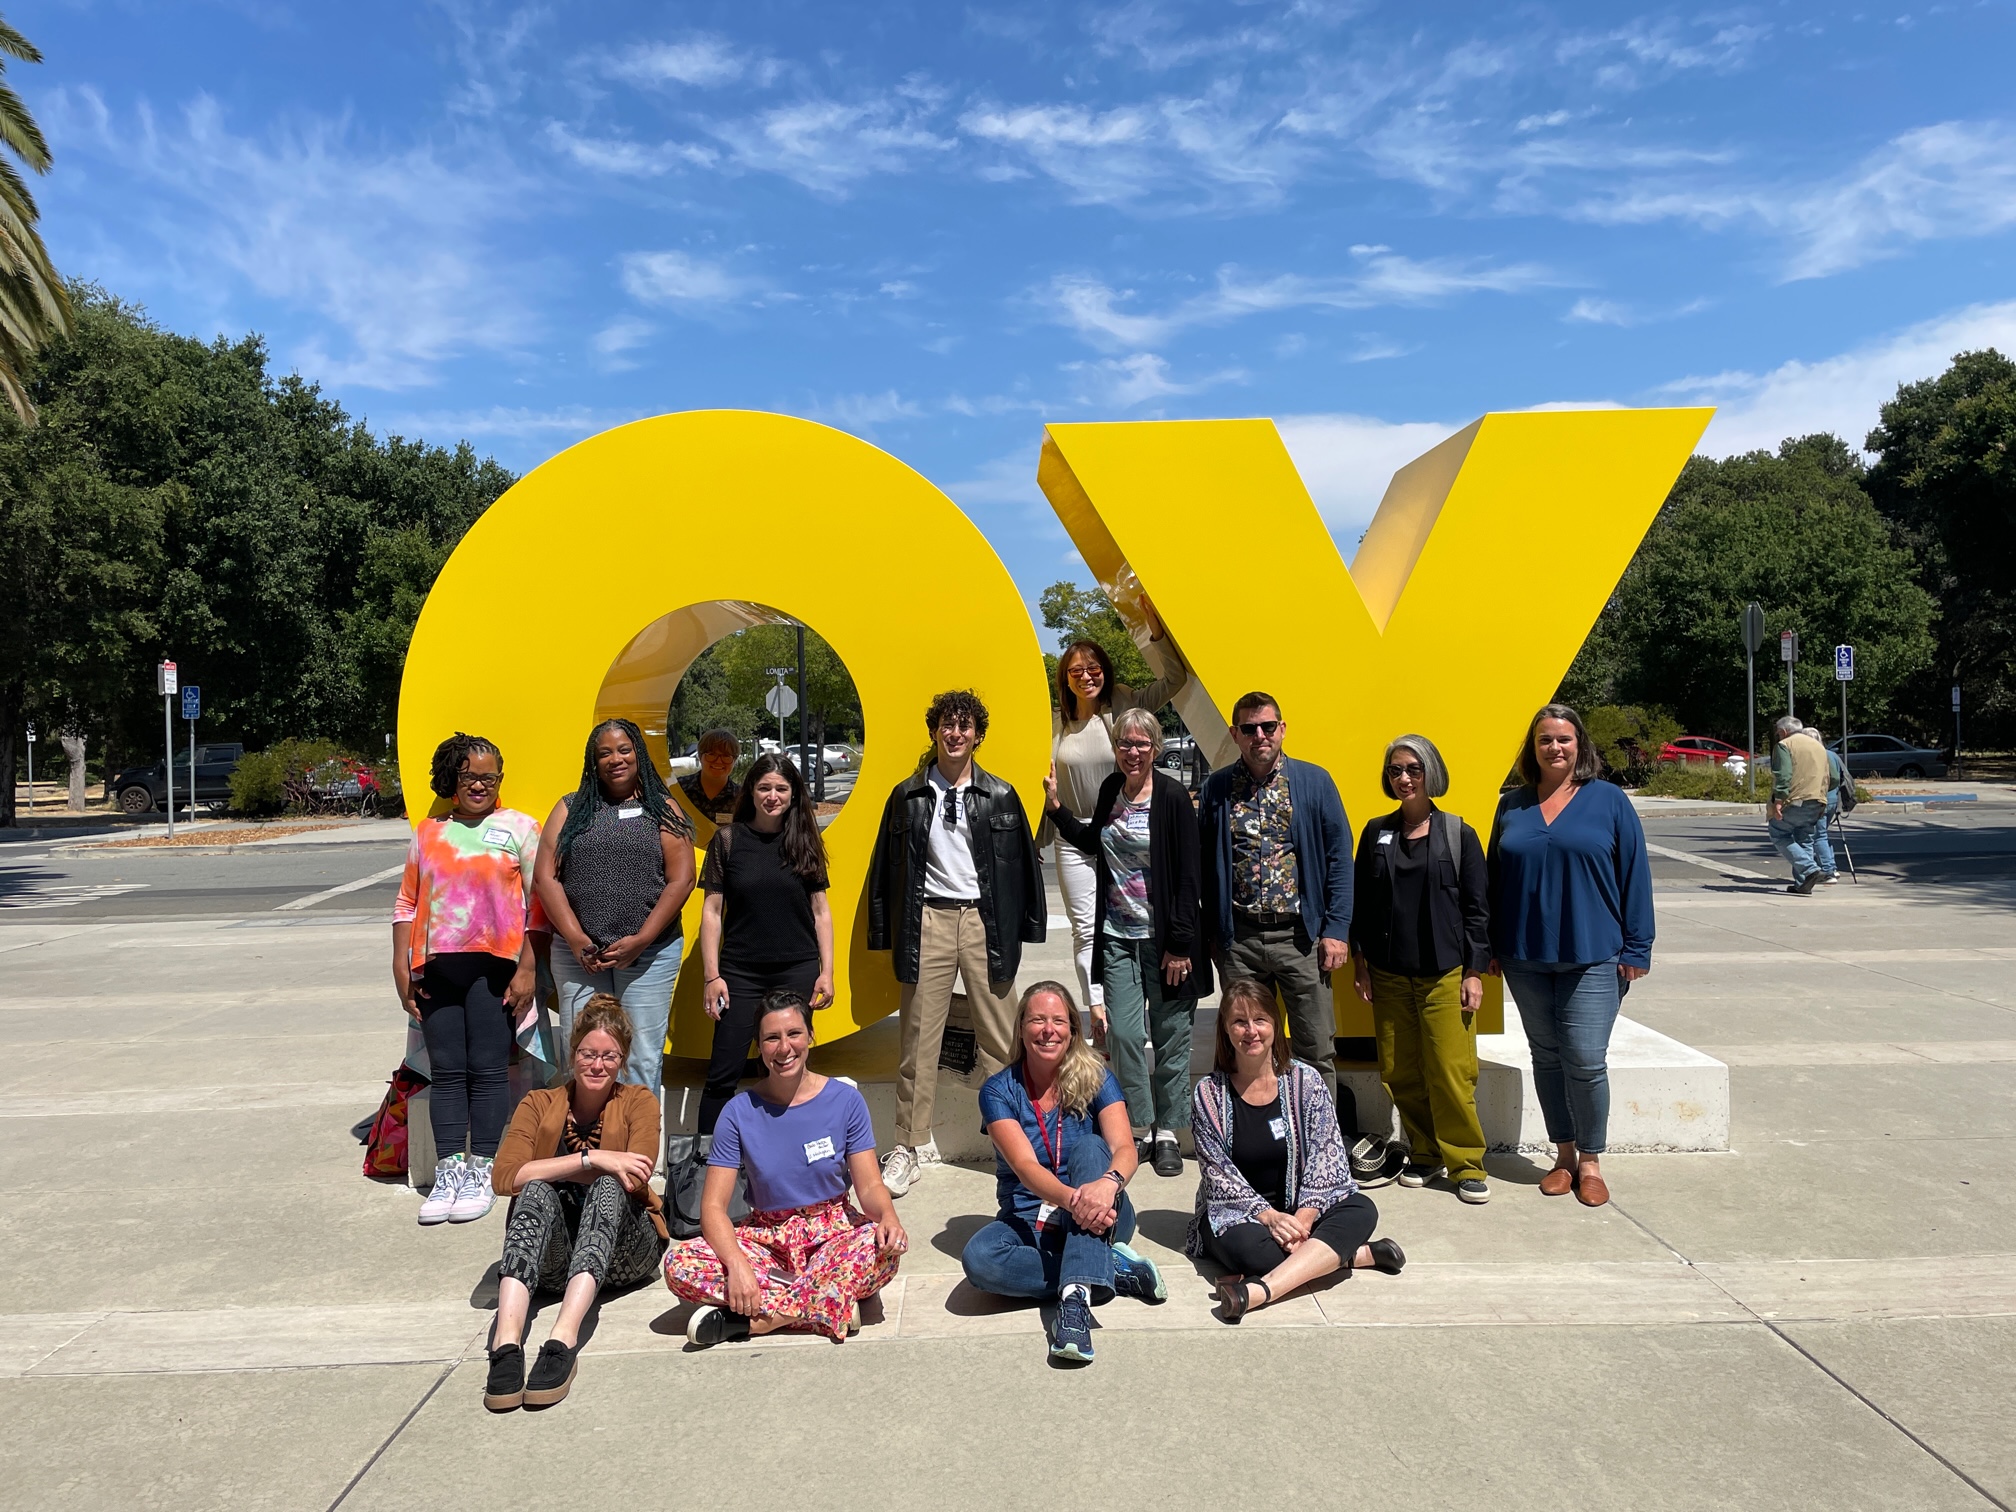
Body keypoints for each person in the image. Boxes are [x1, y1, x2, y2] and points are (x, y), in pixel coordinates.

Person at [866, 689, 1045, 1197]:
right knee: (919, 1039)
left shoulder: (1001, 795)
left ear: (978, 735)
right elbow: (885, 868)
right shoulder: (908, 794)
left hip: (984, 921)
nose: (956, 733)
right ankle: (907, 1145)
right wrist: (884, 931)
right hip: (928, 919)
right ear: (935, 731)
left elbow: (1025, 872)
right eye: (948, 724)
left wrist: (1026, 928)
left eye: (965, 726)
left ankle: (1015, 1142)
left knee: (1004, 1036)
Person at [1197, 692, 1385, 1171]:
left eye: (1268, 726)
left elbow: (1340, 861)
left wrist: (1337, 929)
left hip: (1300, 938)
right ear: (1236, 734)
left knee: (1315, 1046)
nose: (1260, 736)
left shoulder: (1313, 782)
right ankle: (1250, 1145)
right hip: (1239, 940)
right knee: (1245, 1044)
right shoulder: (1218, 789)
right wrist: (1212, 934)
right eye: (1249, 728)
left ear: (1283, 728)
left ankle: (1322, 1148)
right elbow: (1203, 865)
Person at [665, 991, 906, 1346]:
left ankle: (762, 1320)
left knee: (881, 1250)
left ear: (810, 1035)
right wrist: (737, 1265)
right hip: (766, 1240)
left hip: (833, 1233)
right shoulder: (738, 1112)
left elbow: (869, 1186)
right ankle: (826, 1303)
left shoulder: (846, 1101)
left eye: (794, 1033)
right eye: (771, 1038)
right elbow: (713, 1208)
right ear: (758, 1047)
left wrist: (888, 1217)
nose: (784, 1048)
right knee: (679, 1263)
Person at [1487, 703, 1654, 1209]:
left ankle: (1591, 1162)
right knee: (1547, 1057)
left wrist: (1637, 946)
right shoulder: (1512, 805)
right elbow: (1495, 881)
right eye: (1545, 740)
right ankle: (1561, 1157)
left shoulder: (1608, 801)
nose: (1555, 747)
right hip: (1525, 954)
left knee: (1585, 1059)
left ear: (1580, 745)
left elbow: (1635, 875)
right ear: (1532, 748)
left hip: (1594, 955)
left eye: (1564, 738)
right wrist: (1491, 945)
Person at [1042, 705, 1212, 1178]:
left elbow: (1188, 876)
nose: (1132, 752)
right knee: (1123, 1034)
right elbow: (1095, 841)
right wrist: (1057, 811)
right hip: (1117, 935)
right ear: (1115, 749)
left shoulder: (1174, 798)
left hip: (1167, 942)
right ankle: (1137, 1127)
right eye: (1124, 744)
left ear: (1155, 748)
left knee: (1172, 1036)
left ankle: (1168, 1133)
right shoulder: (1111, 789)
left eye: (1141, 744)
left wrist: (1179, 944)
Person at [961, 982, 1166, 1364]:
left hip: (1106, 1213)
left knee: (1091, 1148)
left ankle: (1074, 1303)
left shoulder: (1097, 1077)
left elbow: (1125, 1149)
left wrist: (1106, 1186)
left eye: (1058, 1021)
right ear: (1021, 1027)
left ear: (1073, 1030)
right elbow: (1024, 1167)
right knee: (980, 1259)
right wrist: (1076, 1201)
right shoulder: (998, 1091)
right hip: (1031, 1217)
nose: (1047, 1030)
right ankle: (1105, 1272)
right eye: (1037, 1020)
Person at [483, 994, 669, 1411]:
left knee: (607, 1188)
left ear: (622, 1059)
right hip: (556, 1256)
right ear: (573, 1054)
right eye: (588, 1053)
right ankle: (506, 1345)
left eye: (609, 1056)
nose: (597, 1065)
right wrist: (593, 1158)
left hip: (625, 1251)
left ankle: (562, 1338)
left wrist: (554, 1167)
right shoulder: (538, 1103)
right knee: (535, 1191)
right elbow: (505, 1178)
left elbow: (637, 1172)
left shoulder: (639, 1101)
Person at [1188, 981, 1406, 1320]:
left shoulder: (1306, 1080)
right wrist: (1271, 1218)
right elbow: (1218, 1174)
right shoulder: (1209, 1094)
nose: (1251, 1031)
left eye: (1260, 1020)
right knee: (1253, 1252)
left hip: (1304, 1208)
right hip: (1240, 1214)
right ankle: (1356, 1255)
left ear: (1275, 1024)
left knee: (1362, 1209)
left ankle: (1260, 1291)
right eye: (1239, 1022)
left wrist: (1302, 1221)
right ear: (1226, 1031)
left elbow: (1327, 1155)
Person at [393, 733, 541, 1226]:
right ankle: (451, 1168)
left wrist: (528, 968)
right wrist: (401, 966)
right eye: (469, 775)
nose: (480, 784)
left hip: (495, 970)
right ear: (452, 778)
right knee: (448, 1072)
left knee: (488, 1070)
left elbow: (539, 907)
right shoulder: (429, 832)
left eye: (489, 776)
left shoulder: (519, 828)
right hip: (437, 970)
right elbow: (407, 903)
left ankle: (484, 1169)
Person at [1349, 734, 1493, 1203]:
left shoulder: (1458, 833)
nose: (1404, 778)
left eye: (1413, 768)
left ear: (1431, 772)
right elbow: (1362, 905)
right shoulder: (1376, 832)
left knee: (1451, 1072)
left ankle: (1466, 1164)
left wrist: (1474, 971)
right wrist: (1361, 962)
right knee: (1399, 1072)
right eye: (1395, 770)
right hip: (1389, 973)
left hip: (1445, 975)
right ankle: (1426, 1153)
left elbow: (1477, 909)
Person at [533, 718, 697, 1096]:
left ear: (638, 753)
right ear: (593, 760)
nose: (615, 759)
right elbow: (546, 878)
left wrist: (642, 938)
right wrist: (576, 939)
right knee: (585, 1053)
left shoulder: (662, 808)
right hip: (580, 956)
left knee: (639, 1055)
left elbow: (682, 879)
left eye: (624, 750)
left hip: (649, 954)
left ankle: (636, 1150)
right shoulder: (569, 808)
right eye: (604, 753)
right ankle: (588, 1148)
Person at [1045, 612, 1188, 1018]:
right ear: (1065, 677)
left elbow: (1174, 679)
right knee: (1085, 928)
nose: (1086, 676)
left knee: (1131, 924)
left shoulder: (1124, 702)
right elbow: (1043, 780)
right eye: (1076, 670)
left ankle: (1130, 1005)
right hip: (1072, 836)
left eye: (1093, 668)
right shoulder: (1055, 723)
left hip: (1122, 832)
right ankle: (1098, 1008)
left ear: (1104, 671)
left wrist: (1156, 631)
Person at [695, 752, 835, 1147]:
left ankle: (788, 1153)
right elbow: (712, 912)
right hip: (740, 973)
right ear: (751, 792)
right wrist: (712, 975)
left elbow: (821, 911)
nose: (772, 796)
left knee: (788, 1067)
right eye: (764, 788)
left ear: (793, 795)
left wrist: (827, 971)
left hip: (797, 970)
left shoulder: (805, 841)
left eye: (781, 788)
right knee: (724, 1071)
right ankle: (707, 1166)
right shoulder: (727, 841)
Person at [1767, 715, 1831, 895]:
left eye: (1778, 733)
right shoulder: (1819, 747)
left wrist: (1778, 801)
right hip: (1818, 799)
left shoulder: (1785, 745)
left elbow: (1784, 775)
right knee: (1805, 838)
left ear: (1783, 731)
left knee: (1778, 832)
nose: (1778, 737)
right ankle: (1803, 883)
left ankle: (1809, 869)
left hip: (1796, 799)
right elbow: (1831, 777)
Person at [675, 728, 741, 837]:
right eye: (711, 754)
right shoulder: (678, 789)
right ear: (700, 756)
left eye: (726, 756)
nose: (718, 761)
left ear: (734, 760)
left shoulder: (741, 797)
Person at [1805, 725, 1844, 886]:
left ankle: (1828, 870)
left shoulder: (1813, 756)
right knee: (1822, 834)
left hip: (1819, 799)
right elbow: (1839, 777)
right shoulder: (1831, 755)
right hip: (1832, 798)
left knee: (1818, 836)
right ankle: (1831, 866)